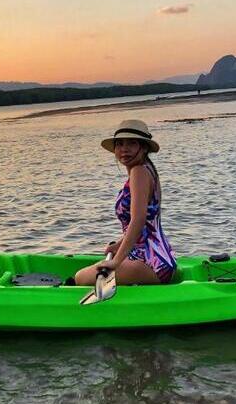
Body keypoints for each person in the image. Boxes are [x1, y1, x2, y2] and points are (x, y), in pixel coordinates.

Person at [75, 119, 177, 286]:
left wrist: (116, 262)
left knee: (80, 278)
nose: (124, 149)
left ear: (144, 147)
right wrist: (119, 245)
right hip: (153, 257)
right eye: (120, 144)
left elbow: (139, 219)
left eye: (132, 143)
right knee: (88, 272)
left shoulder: (139, 172)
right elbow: (145, 225)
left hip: (152, 262)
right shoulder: (147, 170)